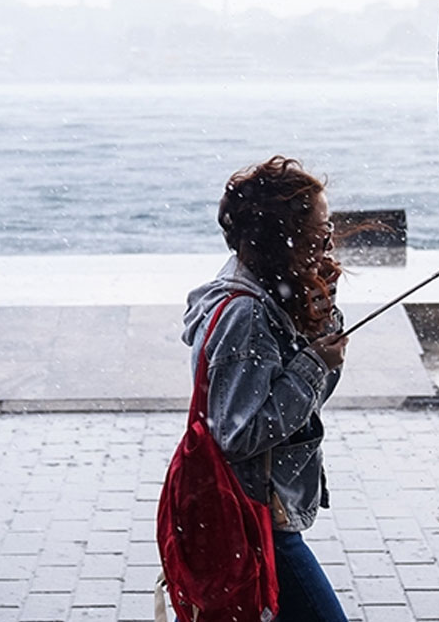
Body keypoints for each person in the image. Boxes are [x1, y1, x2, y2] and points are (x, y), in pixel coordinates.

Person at [180, 155, 349, 621]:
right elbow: (239, 432)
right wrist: (314, 363)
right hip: (253, 513)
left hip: (256, 510)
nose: (327, 243)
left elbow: (305, 404)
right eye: (319, 233)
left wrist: (320, 324)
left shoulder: (270, 293)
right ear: (284, 240)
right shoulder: (246, 314)